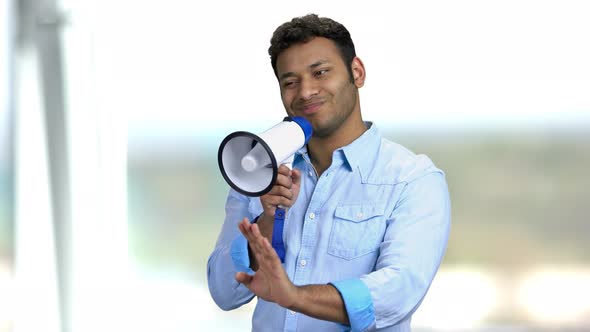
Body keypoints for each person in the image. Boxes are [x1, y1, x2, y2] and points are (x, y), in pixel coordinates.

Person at [207, 13, 451, 332]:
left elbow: (398, 292)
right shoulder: (258, 174)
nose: (306, 92)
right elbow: (224, 293)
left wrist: (295, 296)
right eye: (290, 81)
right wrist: (266, 222)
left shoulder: (412, 179)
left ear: (357, 73)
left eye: (320, 72)